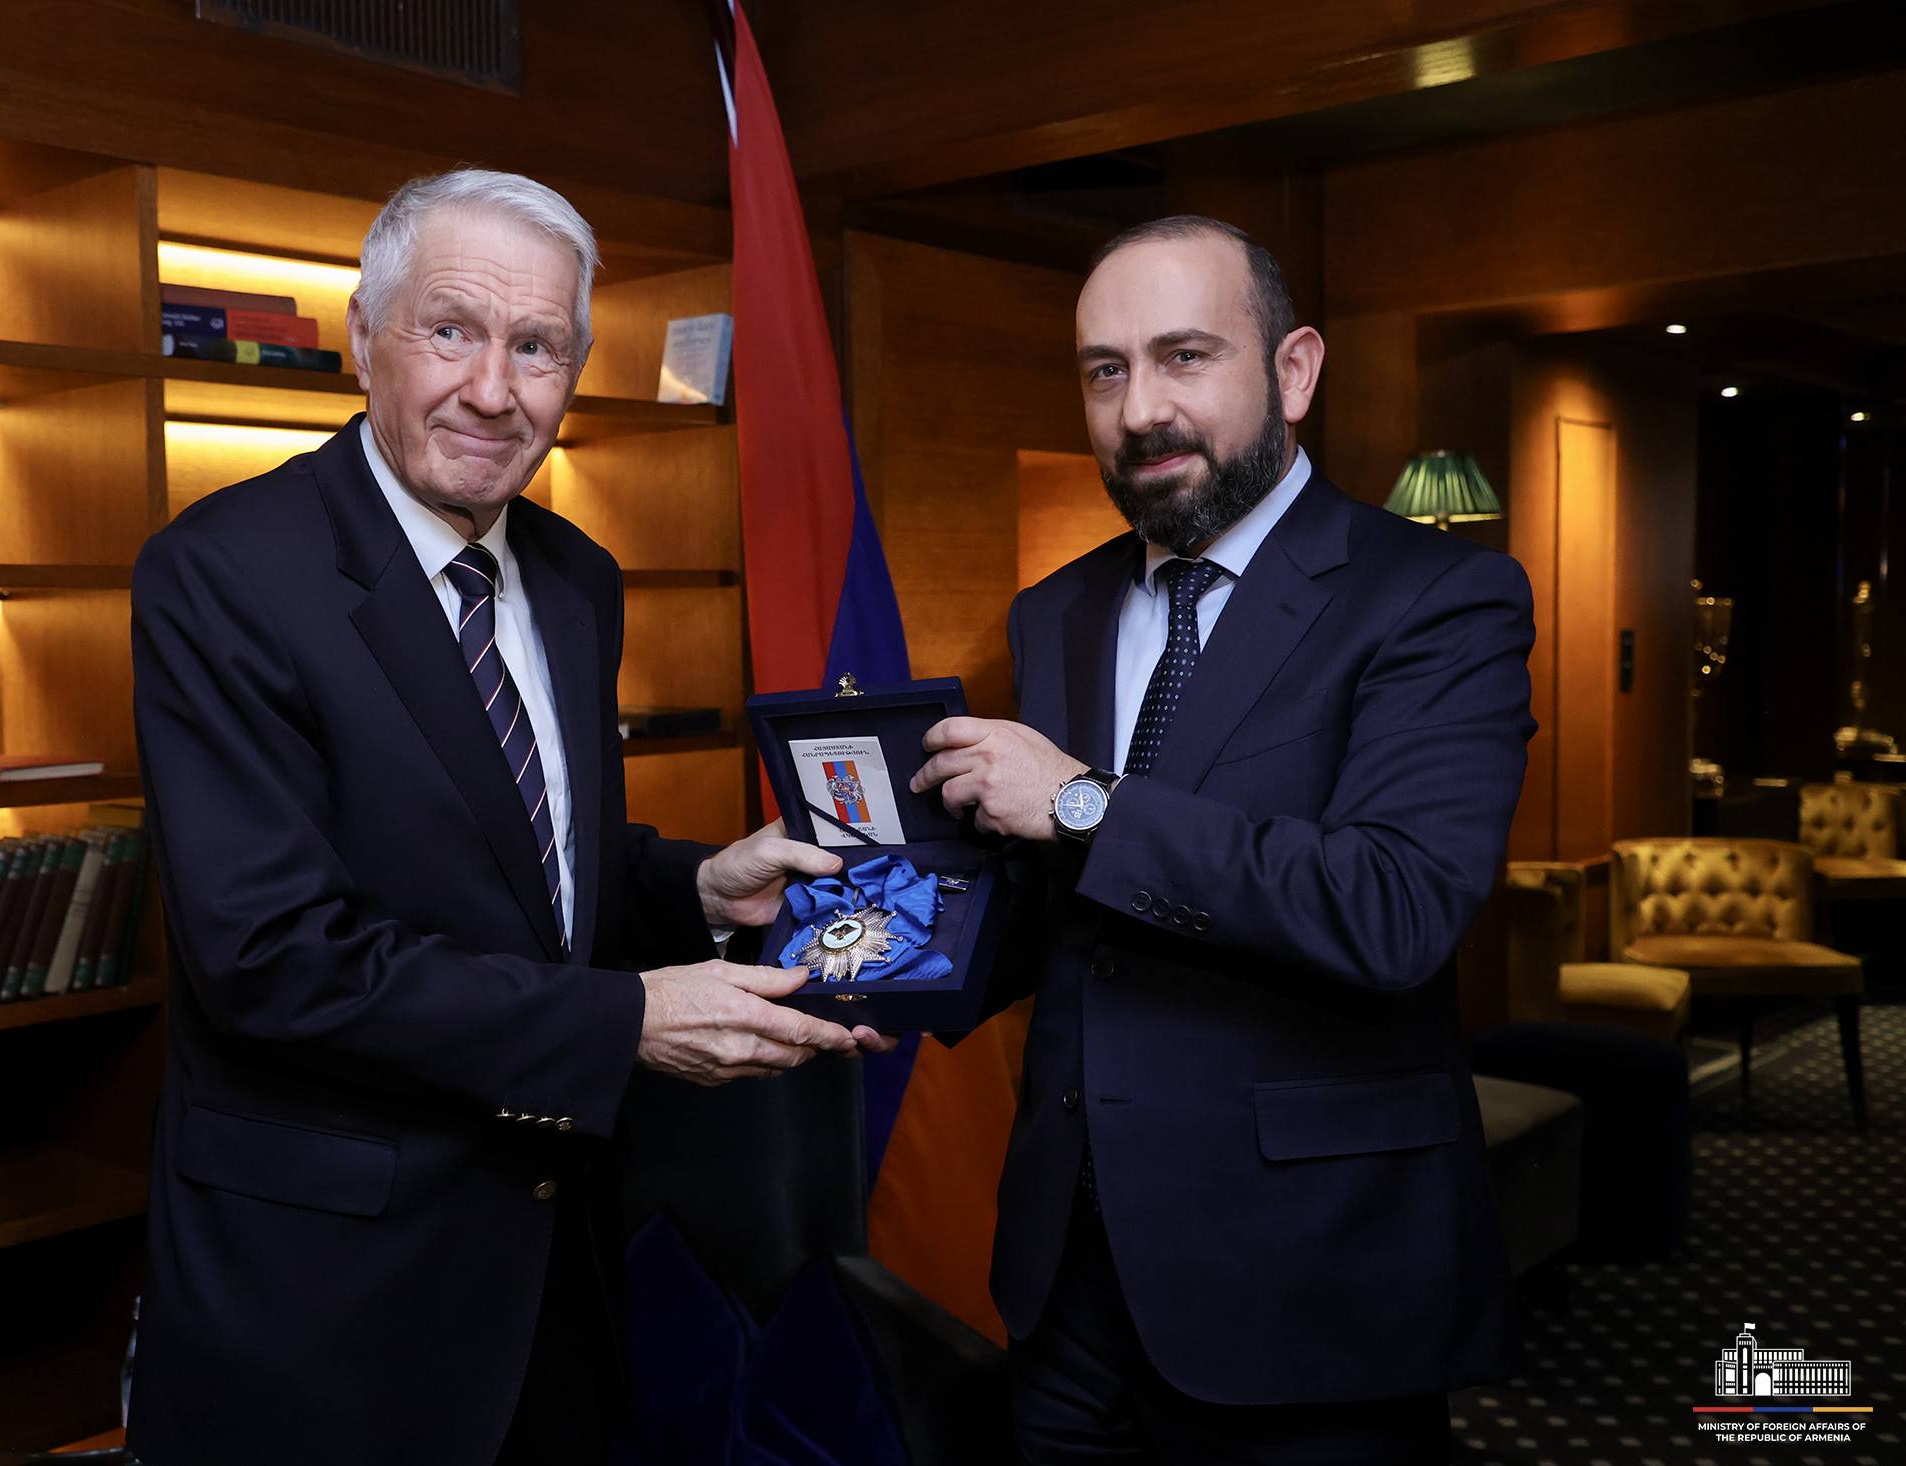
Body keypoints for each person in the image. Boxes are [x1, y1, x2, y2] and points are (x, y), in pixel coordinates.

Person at [126, 168, 884, 1465]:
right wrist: (626, 1019)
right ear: (363, 335)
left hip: (558, 1262)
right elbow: (273, 958)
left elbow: (530, 871)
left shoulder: (578, 577)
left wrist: (699, 887)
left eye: (536, 346)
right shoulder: (224, 573)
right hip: (330, 1299)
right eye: (451, 330)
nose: (492, 389)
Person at [910, 216, 1535, 1464]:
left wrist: (1082, 800)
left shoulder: (1436, 597)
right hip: (1068, 1284)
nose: (1140, 408)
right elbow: (1071, 906)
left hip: (1307, 1284)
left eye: (1183, 356)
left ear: (1293, 371)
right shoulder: (1056, 609)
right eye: (1104, 369)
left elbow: (1393, 906)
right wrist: (863, 939)